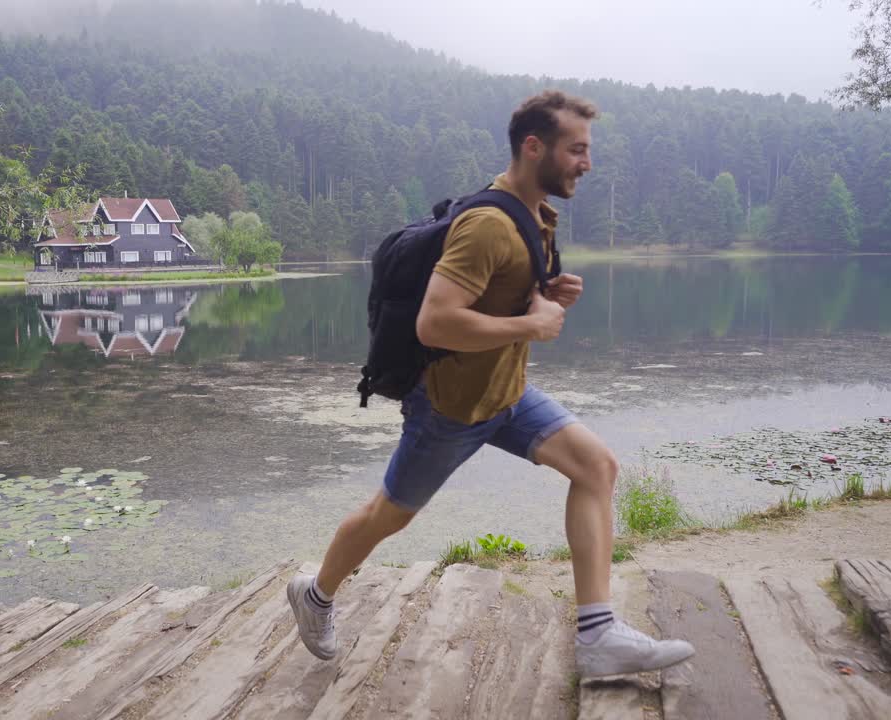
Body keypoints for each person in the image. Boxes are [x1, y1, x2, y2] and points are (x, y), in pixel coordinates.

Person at [287, 90, 695, 678]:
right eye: (576, 149)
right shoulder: (485, 224)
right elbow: (436, 320)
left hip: (507, 394)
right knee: (389, 516)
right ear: (534, 147)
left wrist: (546, 295)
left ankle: (598, 634)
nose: (587, 162)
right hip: (450, 409)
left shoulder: (533, 215)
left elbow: (499, 296)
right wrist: (532, 322)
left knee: (596, 467)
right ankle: (316, 593)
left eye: (588, 150)